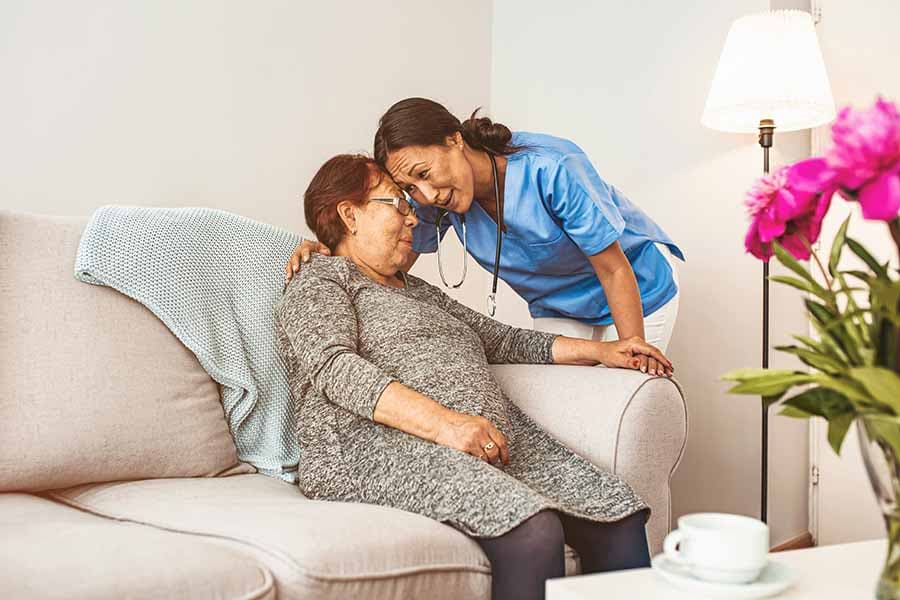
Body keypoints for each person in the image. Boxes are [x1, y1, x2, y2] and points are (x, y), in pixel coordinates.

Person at [276, 154, 674, 600]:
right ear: (350, 214)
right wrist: (446, 424)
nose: (413, 218)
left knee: (615, 513)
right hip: (368, 446)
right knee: (532, 529)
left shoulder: (416, 288)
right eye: (398, 204)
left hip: (475, 437)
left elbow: (499, 339)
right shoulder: (320, 279)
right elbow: (333, 367)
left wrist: (604, 351)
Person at [286, 98, 684, 376]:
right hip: (558, 308)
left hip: (638, 288)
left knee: (624, 396)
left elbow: (613, 270)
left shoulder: (552, 168)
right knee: (570, 411)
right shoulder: (433, 201)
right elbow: (389, 258)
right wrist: (328, 252)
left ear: (454, 139)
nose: (426, 197)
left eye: (424, 175)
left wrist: (632, 351)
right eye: (411, 190)